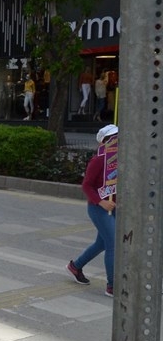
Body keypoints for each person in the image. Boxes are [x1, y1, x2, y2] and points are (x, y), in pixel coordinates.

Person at [66, 124, 118, 297]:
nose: (117, 141)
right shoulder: (98, 161)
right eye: (113, 138)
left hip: (114, 207)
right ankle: (112, 286)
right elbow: (86, 186)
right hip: (98, 208)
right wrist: (101, 202)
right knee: (113, 244)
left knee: (101, 244)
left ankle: (75, 266)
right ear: (104, 142)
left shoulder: (120, 160)